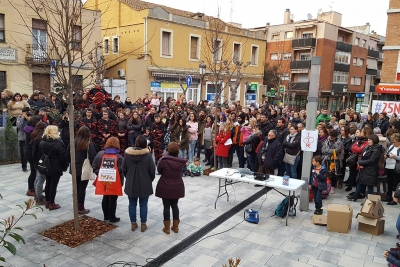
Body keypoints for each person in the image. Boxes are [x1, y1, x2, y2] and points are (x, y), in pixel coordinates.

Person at [123, 135, 156, 232]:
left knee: (132, 204)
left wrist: (128, 177)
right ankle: (143, 224)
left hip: (131, 183)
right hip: (145, 183)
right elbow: (152, 170)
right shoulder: (148, 155)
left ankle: (133, 224)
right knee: (143, 204)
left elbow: (124, 169)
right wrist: (149, 180)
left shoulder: (127, 154)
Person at [156, 142, 187, 234]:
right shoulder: (181, 161)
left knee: (166, 206)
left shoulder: (164, 160)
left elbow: (159, 170)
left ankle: (167, 228)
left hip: (165, 185)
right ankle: (175, 227)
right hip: (177, 185)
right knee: (175, 205)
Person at [66, 126, 96, 214]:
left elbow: (67, 155)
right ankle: (80, 207)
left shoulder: (73, 142)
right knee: (82, 188)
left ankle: (76, 205)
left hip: (74, 168)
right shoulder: (88, 143)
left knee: (76, 187)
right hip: (84, 168)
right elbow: (92, 156)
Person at [93, 137, 124, 222]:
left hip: (103, 180)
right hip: (115, 181)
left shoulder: (100, 154)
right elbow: (122, 169)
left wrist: (101, 174)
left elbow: (94, 166)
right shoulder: (119, 156)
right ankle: (112, 217)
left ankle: (106, 216)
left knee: (105, 197)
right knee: (113, 198)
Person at [39, 125, 68, 210]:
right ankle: (52, 203)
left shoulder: (42, 142)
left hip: (46, 165)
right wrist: (65, 165)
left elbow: (41, 153)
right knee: (53, 185)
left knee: (48, 183)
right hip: (56, 166)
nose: (57, 131)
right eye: (55, 130)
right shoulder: (58, 143)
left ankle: (47, 201)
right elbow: (62, 157)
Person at [347, 134, 383, 201]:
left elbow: (372, 160)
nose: (368, 141)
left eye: (369, 140)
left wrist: (361, 162)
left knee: (369, 185)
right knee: (360, 182)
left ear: (374, 140)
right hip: (364, 168)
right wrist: (360, 161)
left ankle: (370, 200)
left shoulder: (377, 150)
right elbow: (361, 156)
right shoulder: (368, 147)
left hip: (371, 169)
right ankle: (355, 196)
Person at [321, 130, 343, 194]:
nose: (331, 137)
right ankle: (326, 185)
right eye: (330, 136)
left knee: (333, 174)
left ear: (336, 136)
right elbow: (323, 150)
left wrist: (328, 151)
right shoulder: (326, 141)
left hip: (335, 160)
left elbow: (337, 150)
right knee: (325, 172)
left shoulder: (339, 142)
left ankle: (332, 187)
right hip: (326, 159)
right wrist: (332, 151)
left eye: (333, 137)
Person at [385, 133, 400, 205]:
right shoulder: (391, 146)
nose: (393, 143)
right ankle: (389, 196)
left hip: (396, 167)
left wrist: (394, 156)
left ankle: (395, 198)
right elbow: (387, 152)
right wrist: (386, 156)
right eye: (393, 142)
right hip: (388, 166)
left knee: (395, 183)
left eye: (395, 142)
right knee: (389, 182)